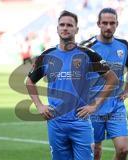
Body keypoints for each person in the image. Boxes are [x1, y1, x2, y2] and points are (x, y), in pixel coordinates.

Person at [26, 10, 118, 160]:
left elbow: (112, 79)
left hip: (80, 122)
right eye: (62, 25)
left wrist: (94, 105)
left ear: (76, 29)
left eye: (69, 25)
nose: (65, 28)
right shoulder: (47, 55)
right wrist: (39, 105)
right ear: (57, 29)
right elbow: (29, 81)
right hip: (56, 122)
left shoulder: (88, 54)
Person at [81, 8, 128, 160]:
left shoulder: (123, 46)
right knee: (96, 150)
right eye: (105, 23)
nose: (108, 26)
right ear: (98, 24)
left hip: (116, 105)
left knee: (123, 150)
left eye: (112, 23)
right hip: (93, 105)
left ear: (117, 24)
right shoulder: (87, 46)